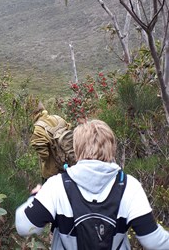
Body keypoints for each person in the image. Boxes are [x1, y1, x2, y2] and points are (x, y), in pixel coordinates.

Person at [16, 119, 169, 249]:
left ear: (77, 149)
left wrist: (35, 198)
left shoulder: (56, 186)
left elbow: (24, 227)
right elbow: (153, 241)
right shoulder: (130, 186)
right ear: (112, 148)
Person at [30, 102, 75, 181]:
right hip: (70, 165)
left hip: (52, 173)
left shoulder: (38, 129)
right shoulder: (58, 118)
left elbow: (44, 155)